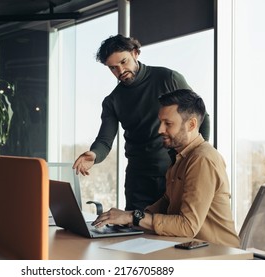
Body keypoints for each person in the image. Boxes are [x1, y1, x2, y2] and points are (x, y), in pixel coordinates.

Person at [73, 34, 210, 211]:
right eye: (113, 68)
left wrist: (199, 154)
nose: (120, 71)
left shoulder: (168, 78)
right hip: (138, 180)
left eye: (124, 62)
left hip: (174, 174)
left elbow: (201, 116)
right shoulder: (112, 100)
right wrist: (94, 155)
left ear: (135, 53)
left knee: (174, 231)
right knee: (136, 232)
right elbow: (104, 141)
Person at [92, 89, 240, 247]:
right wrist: (131, 220)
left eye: (168, 124)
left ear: (191, 124)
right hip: (189, 248)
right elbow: (167, 201)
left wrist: (133, 217)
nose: (160, 130)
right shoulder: (181, 156)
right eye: (161, 122)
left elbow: (187, 226)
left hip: (219, 255)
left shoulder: (202, 160)